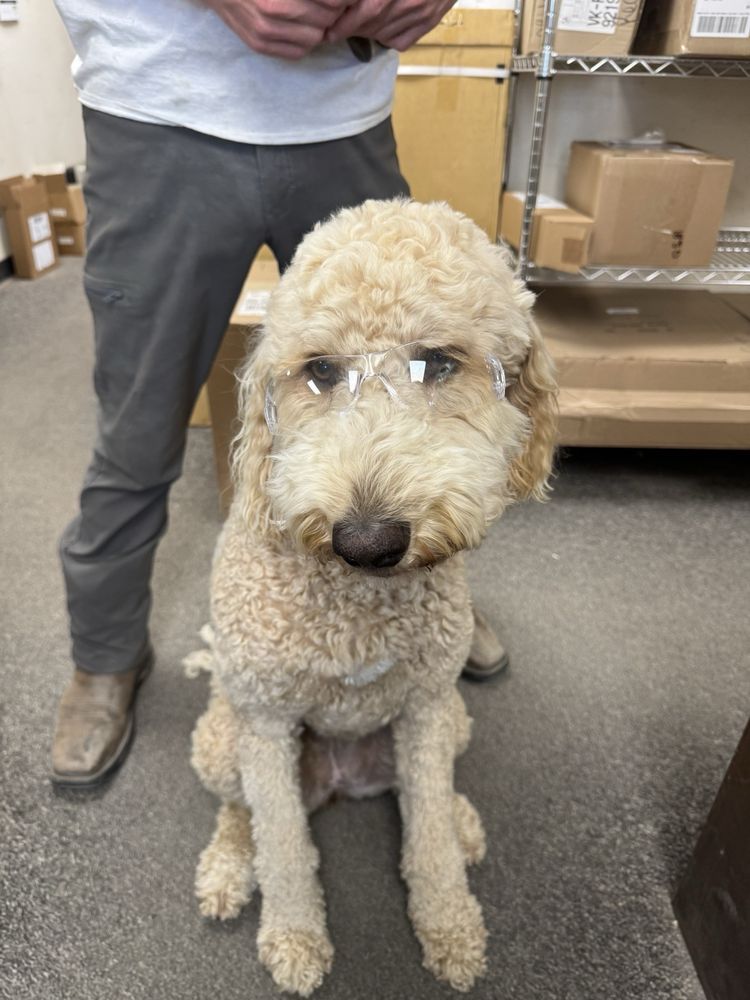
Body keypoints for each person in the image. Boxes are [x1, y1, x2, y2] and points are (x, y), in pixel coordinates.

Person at [50, 0, 509, 789]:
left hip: (343, 116)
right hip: (157, 106)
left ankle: (425, 606)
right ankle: (106, 655)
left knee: (404, 405)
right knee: (139, 429)